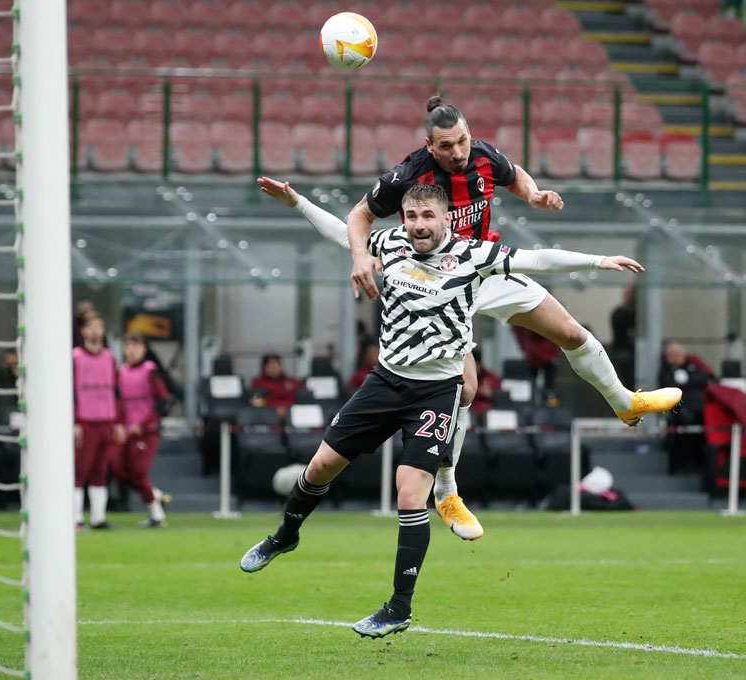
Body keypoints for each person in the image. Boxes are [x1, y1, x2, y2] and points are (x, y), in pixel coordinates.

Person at [260, 96, 681, 539]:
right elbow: (359, 218)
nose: (458, 152)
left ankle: (624, 402)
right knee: (465, 388)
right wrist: (359, 254)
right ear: (429, 144)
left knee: (570, 332)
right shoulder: (407, 175)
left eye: (462, 141)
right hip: (439, 282)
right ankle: (447, 492)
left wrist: (535, 195)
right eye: (447, 146)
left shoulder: (481, 154)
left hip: (480, 265)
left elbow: (516, 179)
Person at [241, 183, 650, 638]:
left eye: (427, 217)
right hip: (384, 382)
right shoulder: (387, 242)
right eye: (411, 216)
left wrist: (598, 261)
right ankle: (285, 535)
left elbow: (538, 258)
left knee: (409, 495)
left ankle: (398, 608)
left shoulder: (473, 255)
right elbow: (342, 234)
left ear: (446, 220)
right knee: (320, 467)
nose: (418, 225)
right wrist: (297, 202)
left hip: (436, 392)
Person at [73, 312, 125, 530]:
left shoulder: (109, 357)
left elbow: (116, 390)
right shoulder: (74, 357)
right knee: (80, 470)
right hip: (85, 422)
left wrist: (119, 421)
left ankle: (98, 518)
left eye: (99, 327)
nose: (96, 331)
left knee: (101, 470)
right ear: (83, 331)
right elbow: (70, 390)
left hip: (107, 421)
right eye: (91, 327)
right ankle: (74, 518)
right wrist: (74, 420)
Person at [115, 333, 173, 528]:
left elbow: (163, 401)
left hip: (147, 432)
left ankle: (157, 516)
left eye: (136, 346)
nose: (131, 350)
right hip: (127, 431)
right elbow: (119, 402)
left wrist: (144, 423)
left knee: (139, 472)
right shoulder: (121, 371)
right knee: (119, 470)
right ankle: (156, 494)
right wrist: (121, 423)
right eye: (128, 345)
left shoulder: (150, 371)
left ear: (144, 350)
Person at [658, 341, 713, 474]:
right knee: (684, 421)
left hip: (699, 408)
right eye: (672, 354)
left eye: (678, 354)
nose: (676, 357)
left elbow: (705, 380)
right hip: (680, 409)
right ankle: (683, 466)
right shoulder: (665, 371)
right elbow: (670, 387)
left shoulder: (694, 366)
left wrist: (687, 384)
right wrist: (691, 384)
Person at [250, 354, 303, 420]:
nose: (274, 368)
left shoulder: (293, 382)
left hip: (291, 413)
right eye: (270, 365)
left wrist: (285, 408)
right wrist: (274, 409)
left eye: (276, 365)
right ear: (264, 368)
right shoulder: (258, 383)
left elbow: (300, 400)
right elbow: (256, 402)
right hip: (267, 414)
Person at [470, 349, 502, 421]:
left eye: (476, 365)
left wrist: (492, 393)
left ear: (480, 364)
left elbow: (501, 397)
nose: (474, 368)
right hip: (469, 414)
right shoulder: (463, 377)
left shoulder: (490, 377)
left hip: (488, 417)